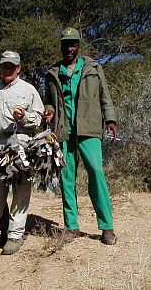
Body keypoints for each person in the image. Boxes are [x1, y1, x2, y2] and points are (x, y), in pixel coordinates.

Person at [43, 27, 118, 245]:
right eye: (66, 44)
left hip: (89, 127)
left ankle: (106, 227)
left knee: (96, 170)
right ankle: (72, 226)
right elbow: (49, 99)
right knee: (66, 177)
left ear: (79, 45)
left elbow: (105, 94)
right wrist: (49, 110)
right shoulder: (52, 73)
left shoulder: (93, 67)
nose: (69, 48)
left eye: (73, 44)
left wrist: (110, 119)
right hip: (64, 130)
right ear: (61, 46)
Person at [0, 51, 44, 255]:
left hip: (21, 141)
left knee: (21, 188)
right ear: (0, 67)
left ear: (18, 68)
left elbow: (39, 119)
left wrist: (25, 117)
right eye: (4, 65)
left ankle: (15, 236)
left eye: (12, 66)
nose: (7, 69)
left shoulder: (29, 89)